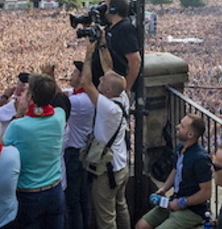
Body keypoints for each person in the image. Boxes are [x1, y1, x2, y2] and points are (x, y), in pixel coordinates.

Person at [2, 73, 66, 228]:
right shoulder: (60, 115)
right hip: (55, 190)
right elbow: (59, 98)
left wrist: (18, 114)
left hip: (29, 194)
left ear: (30, 98)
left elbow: (0, 148)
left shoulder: (18, 126)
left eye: (26, 91)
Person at [81, 35, 131, 229]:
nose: (99, 78)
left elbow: (86, 83)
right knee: (121, 207)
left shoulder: (108, 108)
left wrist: (88, 55)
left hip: (107, 171)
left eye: (102, 81)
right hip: (121, 164)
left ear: (108, 89)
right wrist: (102, 44)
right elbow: (108, 68)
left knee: (106, 217)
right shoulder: (123, 97)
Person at [136, 114, 212, 229]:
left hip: (192, 210)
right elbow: (176, 170)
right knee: (141, 226)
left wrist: (183, 203)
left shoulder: (200, 159)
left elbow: (206, 193)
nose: (177, 127)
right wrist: (164, 188)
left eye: (182, 126)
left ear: (190, 134)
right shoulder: (180, 148)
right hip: (173, 200)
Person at [64, 61, 95, 229]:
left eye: (75, 72)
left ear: (83, 78)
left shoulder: (79, 101)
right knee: (83, 198)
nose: (71, 75)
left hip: (74, 154)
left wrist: (49, 78)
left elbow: (56, 101)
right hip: (84, 151)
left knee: (72, 202)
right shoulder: (85, 97)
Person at [90, 0, 141, 92]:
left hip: (114, 90)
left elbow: (135, 61)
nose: (103, 11)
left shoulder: (125, 29)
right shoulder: (110, 28)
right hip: (106, 87)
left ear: (113, 10)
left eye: (106, 7)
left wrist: (126, 89)